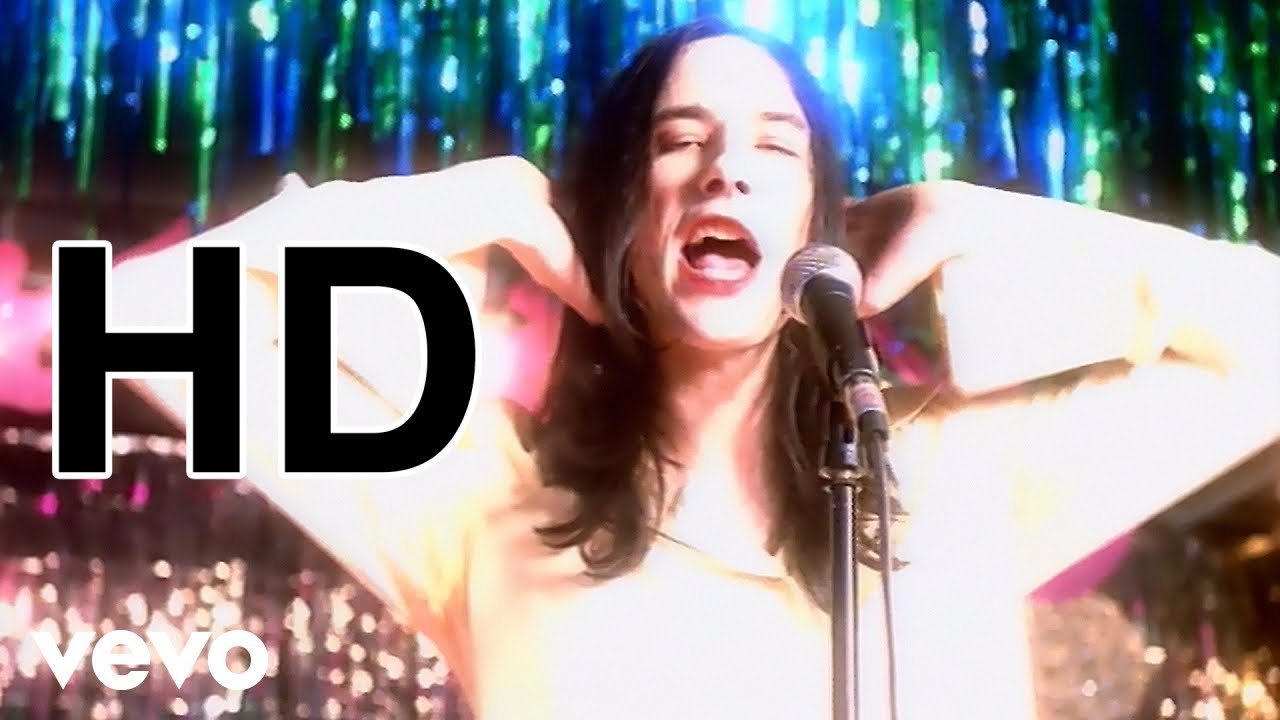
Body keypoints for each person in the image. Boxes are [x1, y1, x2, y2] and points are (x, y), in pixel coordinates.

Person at [110, 17, 1280, 720]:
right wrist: (487, 202)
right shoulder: (479, 505)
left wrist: (973, 219)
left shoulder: (962, 478)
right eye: (677, 141)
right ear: (621, 218)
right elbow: (131, 316)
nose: (725, 169)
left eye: (775, 148)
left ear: (822, 221)